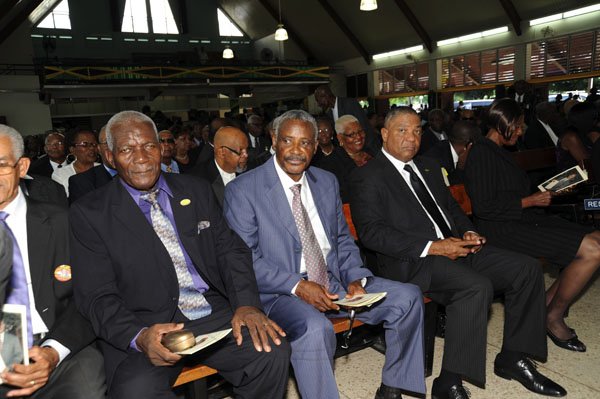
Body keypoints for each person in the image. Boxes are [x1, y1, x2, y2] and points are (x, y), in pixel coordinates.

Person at [348, 107, 566, 398]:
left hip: (453, 247)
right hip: (412, 260)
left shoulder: (426, 166)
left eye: (416, 131)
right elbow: (372, 233)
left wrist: (466, 232)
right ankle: (449, 381)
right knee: (475, 287)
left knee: (525, 268)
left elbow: (451, 209)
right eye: (402, 130)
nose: (411, 138)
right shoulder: (369, 176)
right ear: (385, 134)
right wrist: (434, 246)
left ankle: (514, 357)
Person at [70, 111, 290, 399]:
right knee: (135, 391)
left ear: (161, 149)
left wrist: (247, 304)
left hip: (211, 311)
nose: (141, 157)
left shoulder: (195, 190)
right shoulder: (90, 213)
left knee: (271, 349)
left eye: (149, 146)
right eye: (127, 149)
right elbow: (97, 295)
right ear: (110, 157)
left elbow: (230, 250)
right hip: (146, 324)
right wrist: (139, 336)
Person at [224, 110, 426, 399]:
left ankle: (393, 386)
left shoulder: (326, 181)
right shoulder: (244, 190)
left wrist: (357, 277)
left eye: (305, 143)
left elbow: (341, 239)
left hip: (333, 282)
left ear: (316, 146)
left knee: (408, 298)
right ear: (274, 140)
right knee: (316, 328)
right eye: (288, 141)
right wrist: (298, 285)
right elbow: (245, 260)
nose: (296, 151)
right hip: (281, 293)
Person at [464, 98, 600, 353]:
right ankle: (552, 315)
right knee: (592, 249)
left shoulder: (500, 151)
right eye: (516, 126)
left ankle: (547, 303)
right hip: (502, 230)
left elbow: (510, 193)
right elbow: (484, 207)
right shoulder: (481, 152)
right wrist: (529, 200)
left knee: (595, 236)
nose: (520, 131)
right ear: (502, 124)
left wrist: (549, 190)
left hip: (521, 219)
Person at [0, 124, 105, 398]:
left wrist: (52, 352)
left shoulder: (62, 221)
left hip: (60, 344)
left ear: (22, 167)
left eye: (1, 165)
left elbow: (90, 295)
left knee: (86, 389)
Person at [319, 114, 375, 202]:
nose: (359, 137)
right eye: (352, 134)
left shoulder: (373, 153)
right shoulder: (330, 164)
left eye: (360, 131)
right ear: (340, 138)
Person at [189, 126, 249, 207]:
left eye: (247, 149)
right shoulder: (197, 180)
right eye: (240, 151)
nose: (246, 155)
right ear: (222, 152)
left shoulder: (251, 171)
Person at [314, 85, 381, 153]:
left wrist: (364, 152)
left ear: (326, 96)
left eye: (318, 100)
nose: (318, 104)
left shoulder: (349, 103)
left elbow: (364, 126)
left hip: (367, 149)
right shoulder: (329, 114)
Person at [68, 126, 116, 204]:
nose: (113, 148)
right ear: (99, 148)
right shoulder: (81, 182)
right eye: (107, 143)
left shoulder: (139, 174)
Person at [423, 120, 478, 185]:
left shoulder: (459, 153)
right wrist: (460, 168)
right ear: (469, 144)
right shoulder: (434, 160)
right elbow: (447, 190)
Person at [52, 129, 99, 196]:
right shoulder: (60, 174)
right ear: (72, 149)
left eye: (94, 144)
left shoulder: (104, 169)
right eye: (84, 144)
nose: (91, 148)